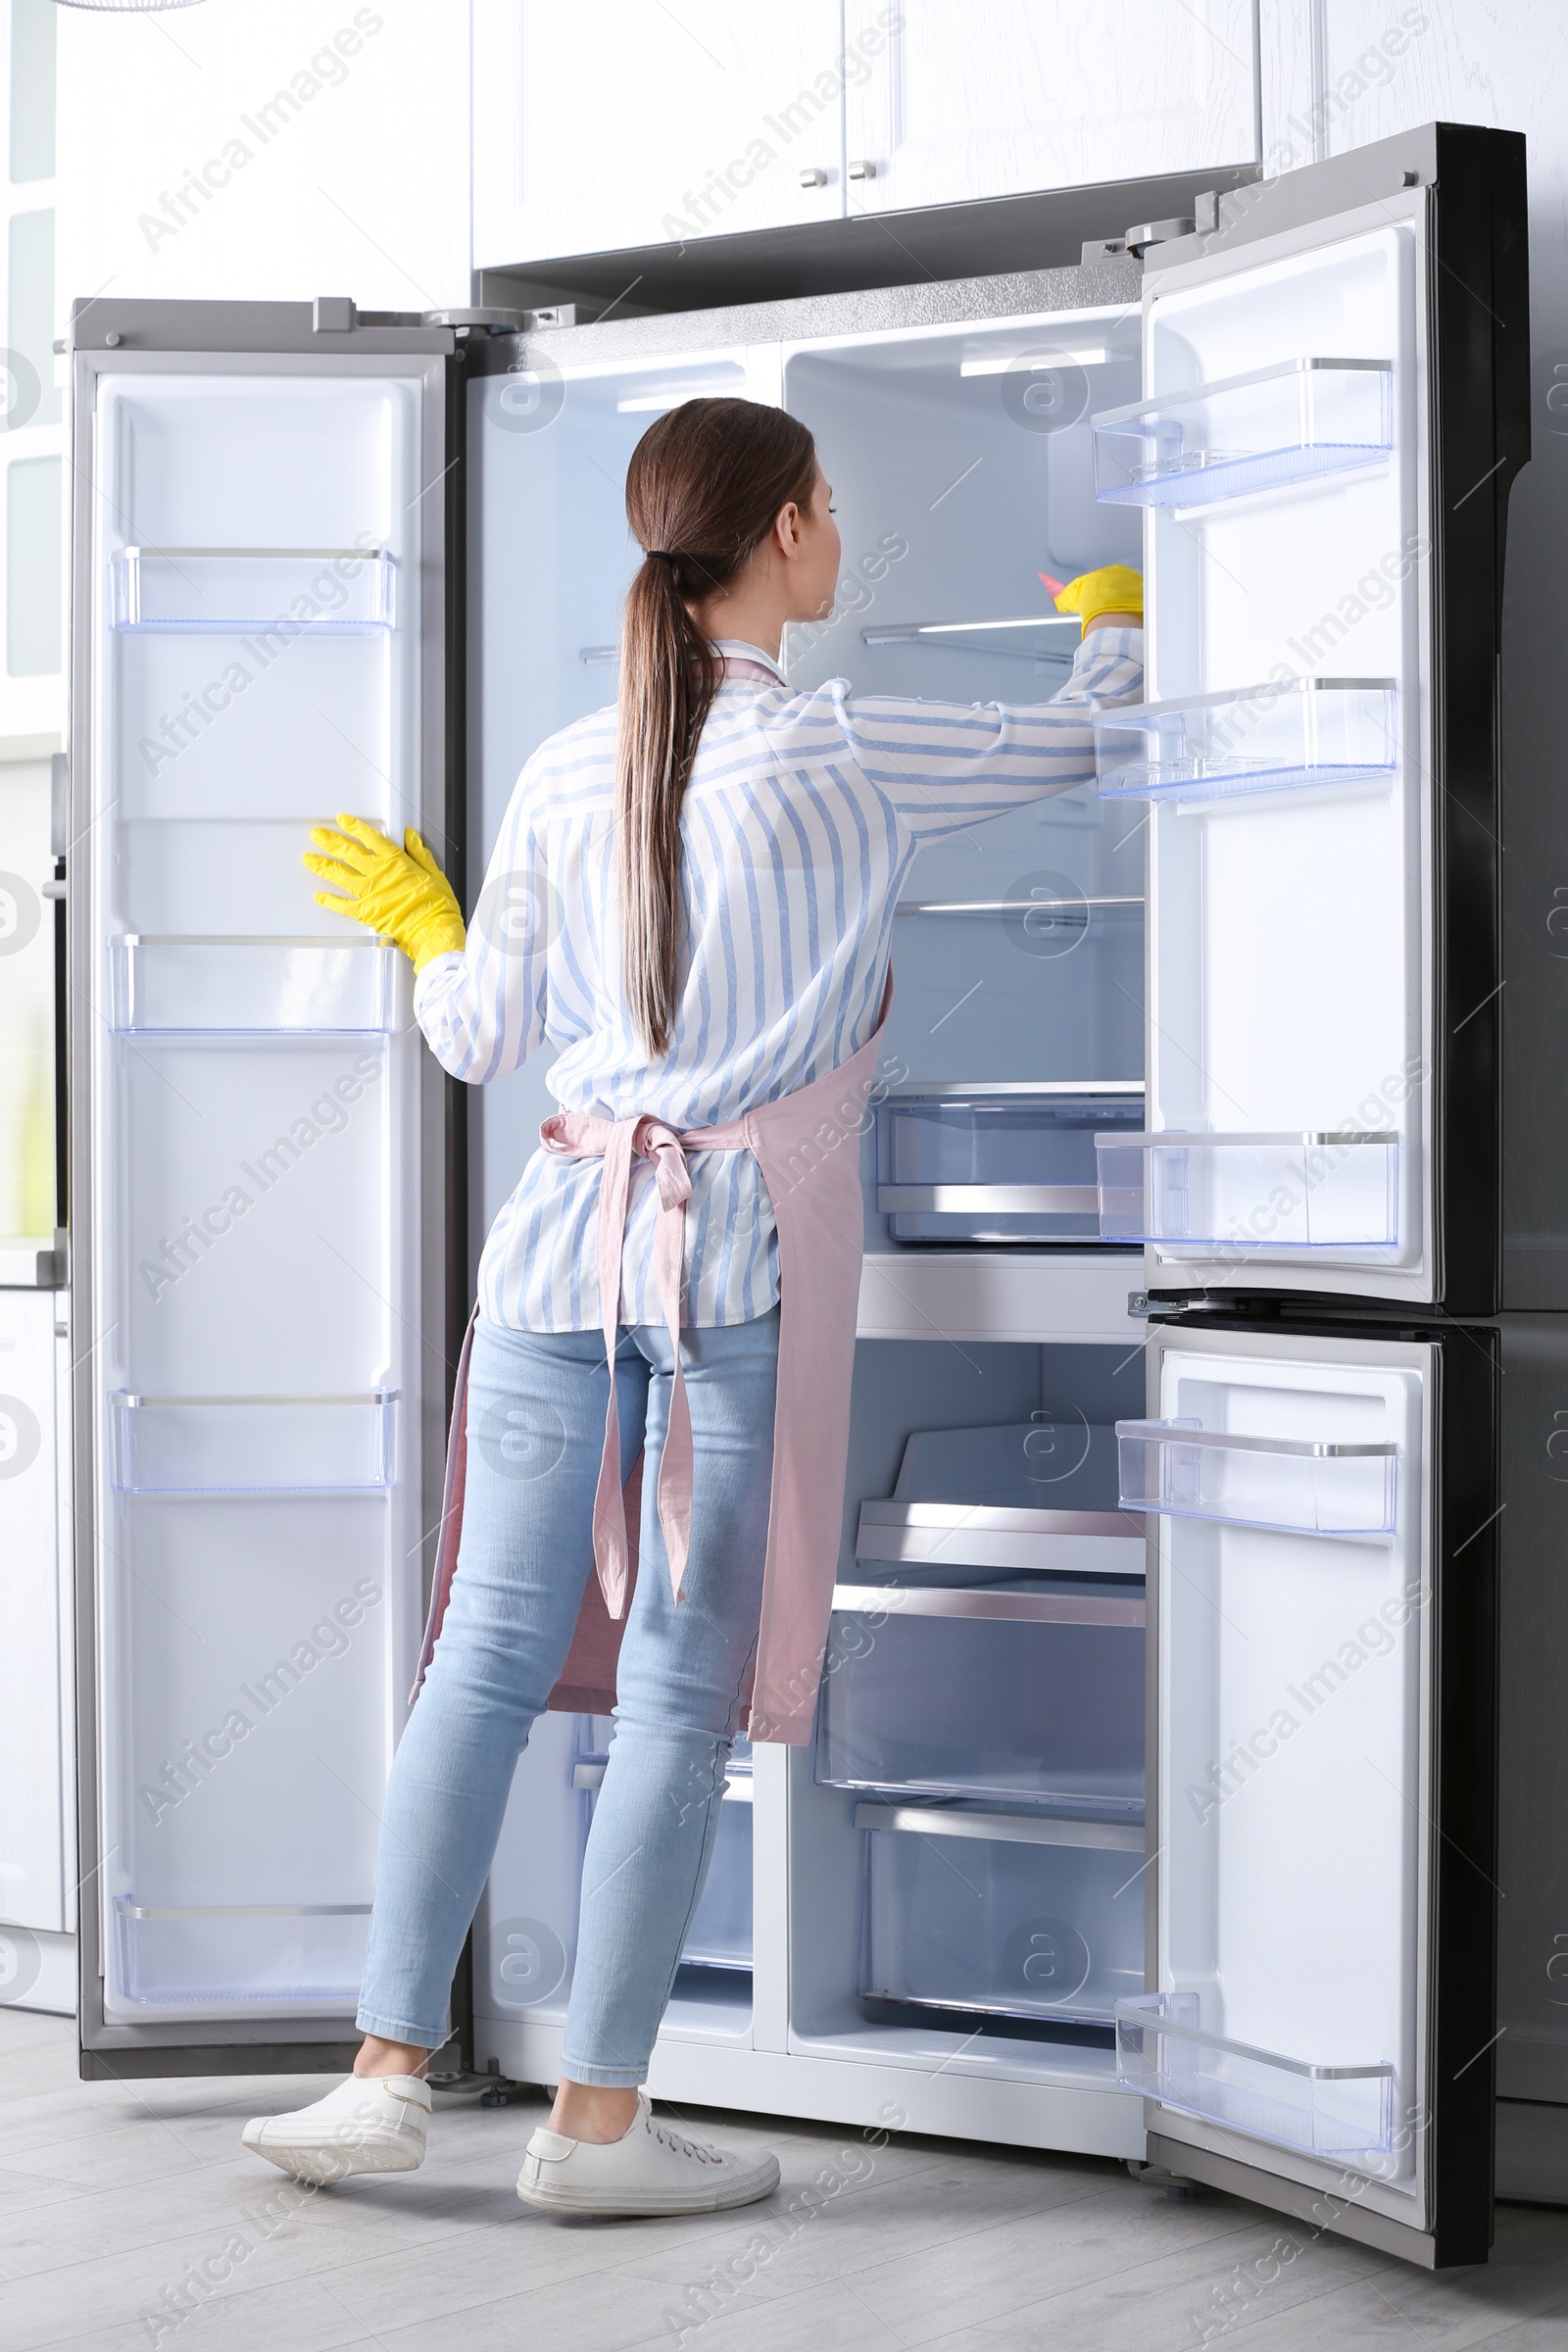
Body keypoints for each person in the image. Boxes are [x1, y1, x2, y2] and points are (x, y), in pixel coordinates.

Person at [239, 396, 1143, 2216]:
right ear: (796, 531)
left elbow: (483, 1037)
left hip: (556, 1247)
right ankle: (598, 2134)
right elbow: (1096, 738)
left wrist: (427, 925)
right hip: (727, 1260)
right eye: (834, 509)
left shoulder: (570, 763)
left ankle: (382, 2078)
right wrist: (1116, 604)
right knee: (675, 1688)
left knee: (479, 1662)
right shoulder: (850, 745)